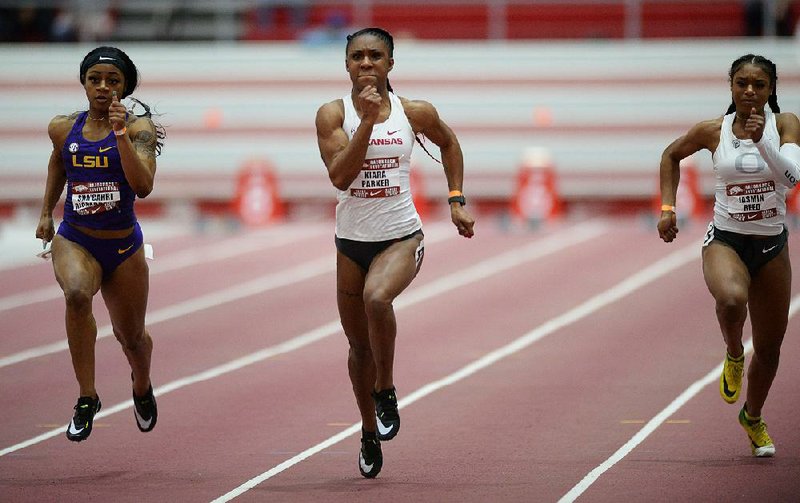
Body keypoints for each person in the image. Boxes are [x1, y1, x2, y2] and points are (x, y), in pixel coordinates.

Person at [315, 27, 475, 477]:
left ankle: (385, 389)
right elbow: (341, 177)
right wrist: (365, 121)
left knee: (377, 298)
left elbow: (450, 143)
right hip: (350, 244)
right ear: (346, 65)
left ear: (390, 64)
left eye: (376, 56)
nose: (367, 63)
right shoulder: (332, 115)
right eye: (358, 56)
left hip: (401, 236)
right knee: (357, 347)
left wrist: (456, 199)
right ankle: (368, 430)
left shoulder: (414, 112)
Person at [658, 54, 800, 457]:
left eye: (758, 84)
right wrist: (668, 209)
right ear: (731, 87)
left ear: (771, 89)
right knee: (732, 299)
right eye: (741, 83)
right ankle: (734, 352)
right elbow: (670, 155)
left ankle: (752, 417)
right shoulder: (712, 130)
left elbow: (792, 178)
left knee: (771, 351)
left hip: (772, 245)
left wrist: (762, 143)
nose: (750, 92)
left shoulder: (786, 124)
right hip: (726, 239)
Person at [35, 46, 165, 442]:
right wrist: (45, 212)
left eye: (113, 81)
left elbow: (143, 186)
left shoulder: (138, 130)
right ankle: (87, 397)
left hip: (124, 245)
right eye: (95, 80)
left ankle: (141, 384)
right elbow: (59, 159)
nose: (103, 88)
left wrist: (121, 132)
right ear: (84, 84)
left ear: (124, 87)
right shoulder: (63, 127)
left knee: (132, 337)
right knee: (76, 294)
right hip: (76, 237)